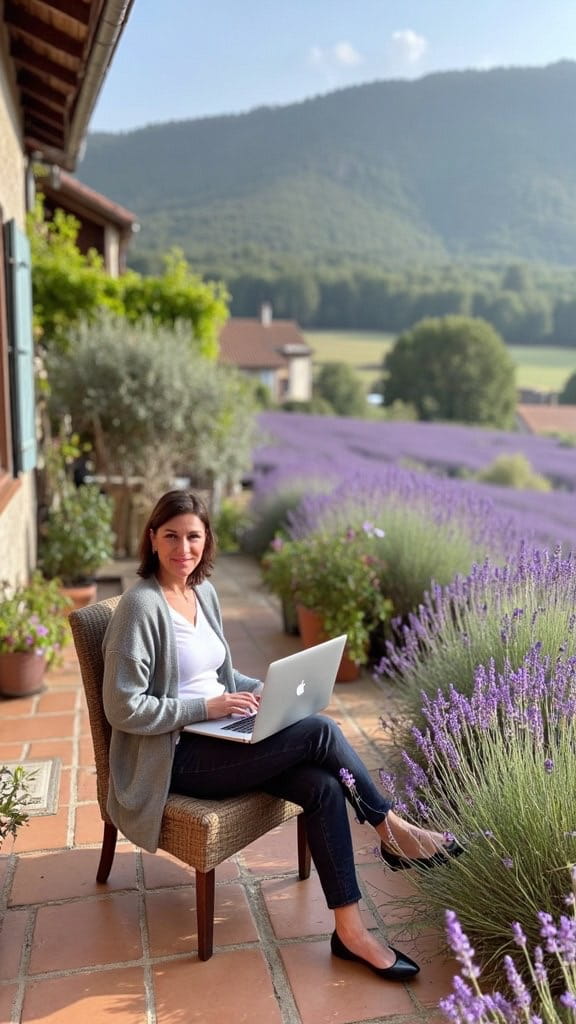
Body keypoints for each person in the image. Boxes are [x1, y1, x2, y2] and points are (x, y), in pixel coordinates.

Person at [102, 490, 461, 980]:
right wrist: (207, 707)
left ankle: (350, 933)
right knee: (320, 732)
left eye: (193, 537)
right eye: (171, 536)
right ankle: (392, 831)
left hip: (220, 735)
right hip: (174, 756)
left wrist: (263, 692)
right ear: (152, 539)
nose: (183, 548)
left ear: (206, 541)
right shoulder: (140, 607)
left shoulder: (202, 593)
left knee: (324, 786)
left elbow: (221, 677)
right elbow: (123, 708)